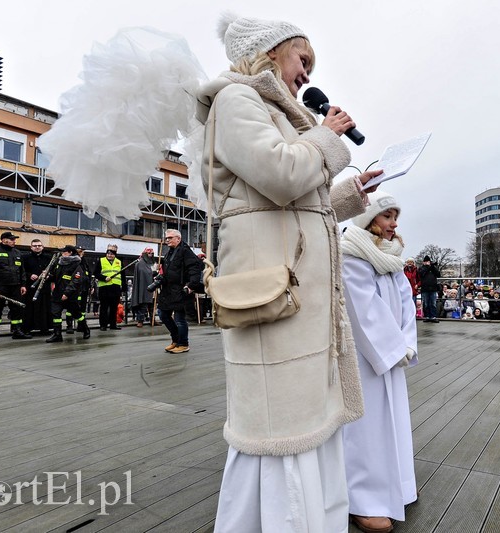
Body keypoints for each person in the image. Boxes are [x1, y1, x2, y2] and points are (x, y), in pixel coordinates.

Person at [201, 14, 380, 532]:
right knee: (281, 427)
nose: (307, 74)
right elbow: (280, 176)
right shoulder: (237, 100)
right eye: (304, 59)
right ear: (270, 52)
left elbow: (291, 204)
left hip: (295, 300)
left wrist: (349, 195)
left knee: (305, 423)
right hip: (276, 298)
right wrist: (326, 137)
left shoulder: (274, 111)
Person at [341, 191, 418, 532]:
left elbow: (405, 304)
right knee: (365, 426)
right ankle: (362, 499)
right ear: (369, 218)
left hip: (390, 354)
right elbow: (362, 309)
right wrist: (391, 348)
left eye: (395, 215)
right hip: (363, 357)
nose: (394, 223)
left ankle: (396, 484)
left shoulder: (391, 257)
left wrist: (404, 344)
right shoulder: (352, 255)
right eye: (387, 215)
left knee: (391, 421)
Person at [153, 230, 202, 354]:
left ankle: (183, 343)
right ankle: (176, 340)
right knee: (163, 313)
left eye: (170, 238)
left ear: (178, 239)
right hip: (168, 289)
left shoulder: (185, 251)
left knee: (180, 319)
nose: (167, 240)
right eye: (166, 238)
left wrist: (191, 285)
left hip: (181, 290)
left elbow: (194, 268)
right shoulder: (170, 252)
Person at [0, 232, 31, 342]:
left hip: (16, 287)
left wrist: (23, 285)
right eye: (12, 239)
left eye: (14, 239)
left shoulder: (17, 252)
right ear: (4, 240)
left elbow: (22, 271)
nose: (14, 241)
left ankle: (17, 331)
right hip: (0, 287)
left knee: (17, 310)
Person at [46, 245, 91, 342]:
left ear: (70, 252)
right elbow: (55, 276)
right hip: (57, 293)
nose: (62, 253)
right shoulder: (59, 263)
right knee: (55, 314)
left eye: (64, 251)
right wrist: (48, 277)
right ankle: (57, 334)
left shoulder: (76, 264)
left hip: (70, 295)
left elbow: (75, 281)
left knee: (77, 314)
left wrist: (67, 293)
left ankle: (85, 329)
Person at [22, 238, 53, 335]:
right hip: (30, 287)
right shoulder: (25, 258)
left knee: (44, 309)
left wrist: (48, 275)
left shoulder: (49, 258)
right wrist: (29, 275)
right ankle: (27, 329)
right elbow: (21, 271)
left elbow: (54, 272)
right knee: (29, 309)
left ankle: (44, 328)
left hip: (44, 288)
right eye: (35, 246)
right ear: (31, 247)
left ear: (42, 247)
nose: (37, 247)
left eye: (39, 245)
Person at [94, 244, 122, 331]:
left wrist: (123, 288)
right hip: (104, 287)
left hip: (115, 288)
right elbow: (96, 273)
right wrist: (104, 278)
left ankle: (113, 324)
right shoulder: (101, 261)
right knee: (104, 308)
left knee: (114, 308)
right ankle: (103, 325)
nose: (110, 255)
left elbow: (122, 276)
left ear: (115, 254)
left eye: (112, 254)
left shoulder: (119, 261)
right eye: (108, 253)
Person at [132, 248, 156, 327]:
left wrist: (157, 272)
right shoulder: (140, 263)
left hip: (153, 286)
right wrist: (152, 273)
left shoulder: (153, 263)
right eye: (149, 253)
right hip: (144, 287)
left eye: (152, 254)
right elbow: (144, 273)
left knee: (152, 305)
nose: (151, 255)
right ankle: (140, 320)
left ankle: (153, 320)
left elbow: (156, 272)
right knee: (143, 305)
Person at [418, 256, 441, 323]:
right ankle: (427, 316)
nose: (427, 263)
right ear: (423, 262)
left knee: (433, 303)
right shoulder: (421, 268)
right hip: (425, 288)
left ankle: (433, 317)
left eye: (428, 261)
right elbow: (421, 274)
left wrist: (433, 267)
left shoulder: (433, 268)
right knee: (426, 304)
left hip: (433, 288)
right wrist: (428, 267)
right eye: (426, 261)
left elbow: (438, 274)